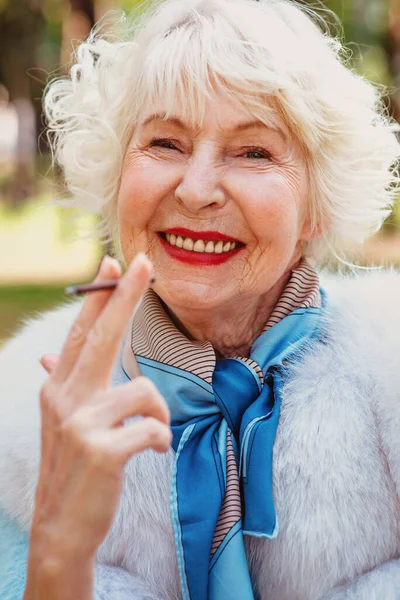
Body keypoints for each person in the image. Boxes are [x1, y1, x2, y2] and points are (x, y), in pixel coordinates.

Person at [0, 0, 399, 598]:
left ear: (317, 204)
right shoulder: (26, 404)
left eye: (255, 151)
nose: (197, 189)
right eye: (165, 143)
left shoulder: (387, 362)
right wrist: (59, 551)